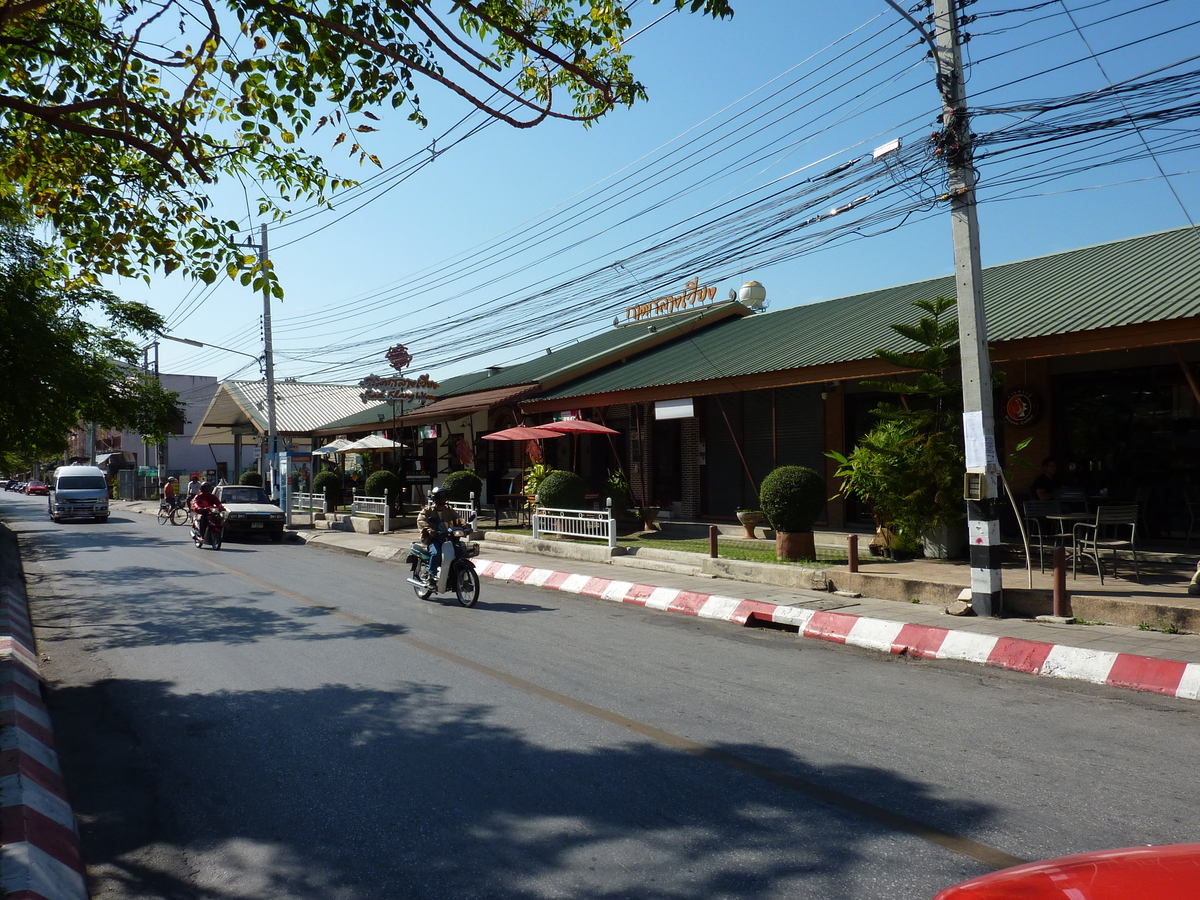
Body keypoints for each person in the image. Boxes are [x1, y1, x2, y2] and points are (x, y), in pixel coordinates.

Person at [418, 486, 468, 587]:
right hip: (433, 539)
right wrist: (428, 529)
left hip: (448, 538)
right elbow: (421, 520)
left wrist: (466, 526)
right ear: (435, 498)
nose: (443, 499)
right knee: (436, 553)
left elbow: (458, 518)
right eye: (441, 497)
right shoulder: (428, 510)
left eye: (444, 497)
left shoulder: (449, 510)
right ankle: (431, 576)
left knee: (460, 551)